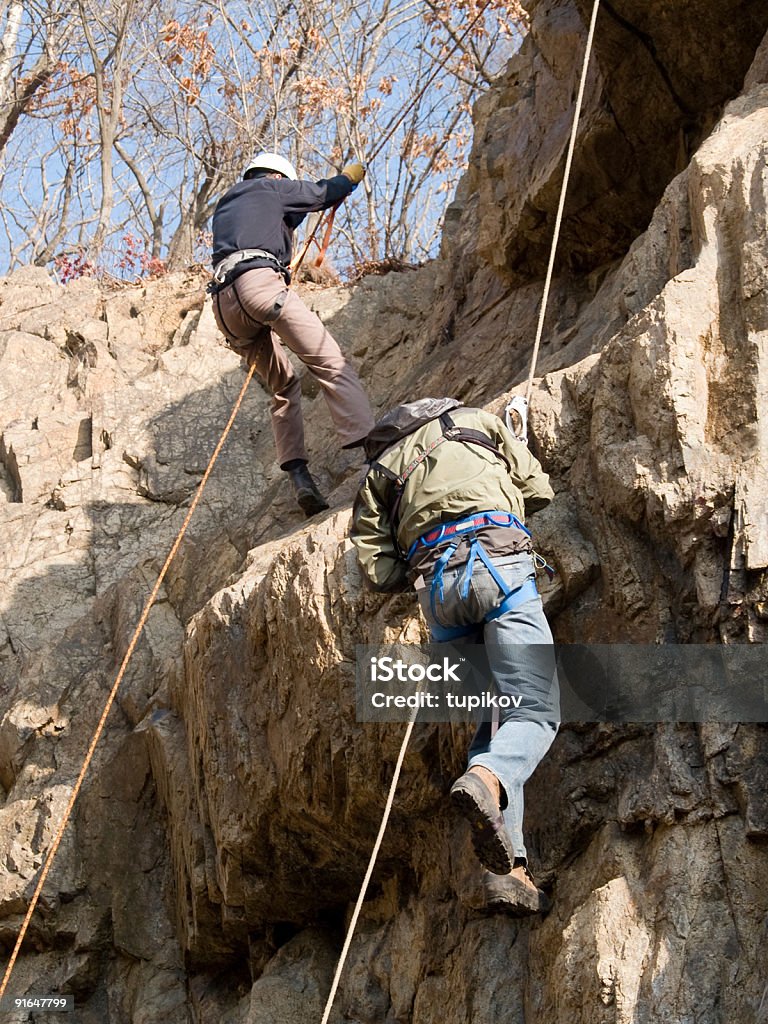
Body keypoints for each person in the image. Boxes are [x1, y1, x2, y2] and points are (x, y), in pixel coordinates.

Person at [350, 397, 559, 915]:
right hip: (499, 566)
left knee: (494, 723)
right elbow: (539, 490)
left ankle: (508, 873)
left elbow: (376, 572)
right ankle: (488, 779)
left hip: (439, 596)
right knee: (533, 709)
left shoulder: (381, 472)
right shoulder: (478, 423)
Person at [209, 151, 375, 516]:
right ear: (277, 178)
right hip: (259, 286)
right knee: (331, 362)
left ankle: (300, 479)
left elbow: (282, 219)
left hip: (225, 306)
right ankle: (375, 457)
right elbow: (318, 194)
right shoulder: (272, 188)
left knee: (283, 387)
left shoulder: (228, 205)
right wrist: (347, 180)